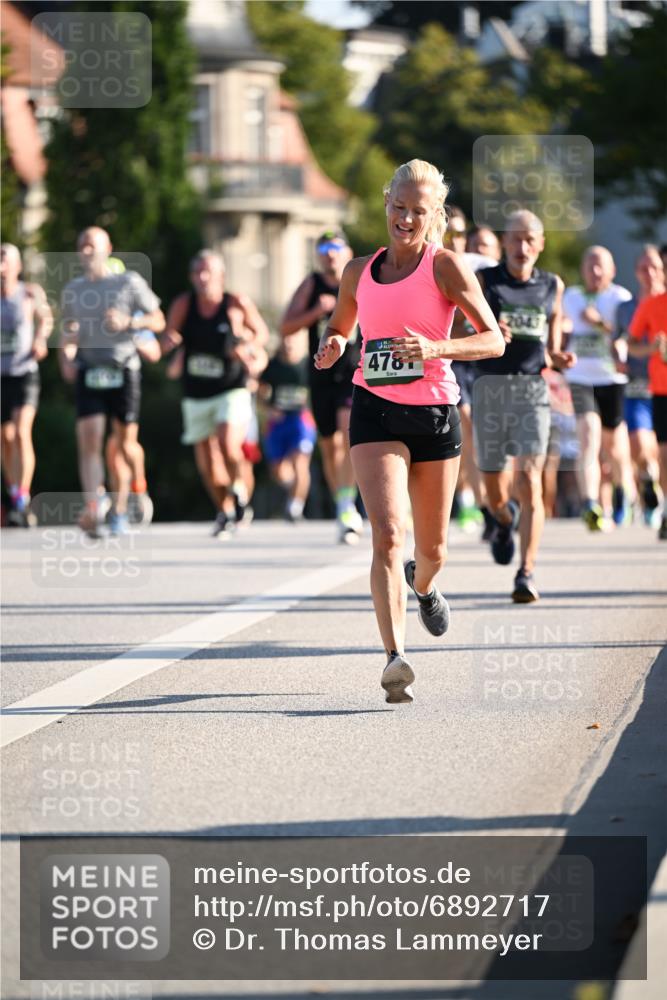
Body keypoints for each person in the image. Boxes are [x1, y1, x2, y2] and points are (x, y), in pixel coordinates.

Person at [314, 158, 504, 704]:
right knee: (388, 536)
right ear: (386, 203)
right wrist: (332, 344)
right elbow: (342, 323)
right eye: (398, 207)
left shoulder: (445, 268)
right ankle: (395, 657)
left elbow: (492, 340)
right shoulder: (357, 271)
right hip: (373, 407)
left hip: (435, 413)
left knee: (434, 547)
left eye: (418, 211)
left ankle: (424, 585)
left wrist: (436, 347)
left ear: (434, 214)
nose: (405, 219)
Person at [473, 210, 574, 603]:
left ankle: (526, 571)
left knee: (530, 479)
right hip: (491, 389)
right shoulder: (486, 280)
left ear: (541, 243)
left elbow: (551, 344)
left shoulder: (553, 284)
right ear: (504, 243)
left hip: (532, 390)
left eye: (530, 239)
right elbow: (462, 329)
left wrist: (558, 358)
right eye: (515, 239)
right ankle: (501, 520)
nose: (522, 247)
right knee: (495, 489)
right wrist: (488, 331)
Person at [59, 227, 164, 536]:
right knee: (89, 439)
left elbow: (159, 319)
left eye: (93, 245)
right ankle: (95, 506)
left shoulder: (128, 282)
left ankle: (120, 506)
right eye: (82, 245)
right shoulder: (73, 290)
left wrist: (130, 322)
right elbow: (67, 330)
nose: (87, 251)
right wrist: (66, 355)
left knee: (122, 444)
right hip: (89, 369)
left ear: (108, 249)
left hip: (123, 369)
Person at [162, 250, 269, 537]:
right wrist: (170, 343)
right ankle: (226, 510)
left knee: (227, 443)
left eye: (208, 271)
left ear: (221, 276)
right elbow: (166, 341)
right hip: (196, 392)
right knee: (207, 464)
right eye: (198, 271)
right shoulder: (184, 304)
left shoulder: (235, 303)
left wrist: (245, 343)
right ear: (191, 277)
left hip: (230, 388)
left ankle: (239, 492)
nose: (203, 277)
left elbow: (261, 334)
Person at [280, 231, 363, 543]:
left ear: (347, 252)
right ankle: (343, 501)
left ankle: (347, 507)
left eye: (336, 248)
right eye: (324, 249)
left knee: (348, 434)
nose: (330, 254)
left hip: (353, 370)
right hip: (320, 372)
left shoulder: (358, 279)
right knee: (329, 447)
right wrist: (317, 311)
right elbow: (286, 326)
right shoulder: (312, 285)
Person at [562, 246, 635, 530]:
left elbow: (627, 336)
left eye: (600, 266)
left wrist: (601, 324)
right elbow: (561, 328)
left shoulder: (620, 298)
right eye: (589, 265)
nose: (594, 271)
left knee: (615, 448)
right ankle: (590, 503)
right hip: (581, 378)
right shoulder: (572, 296)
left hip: (611, 380)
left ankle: (620, 495)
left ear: (612, 270)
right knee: (588, 437)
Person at [1, 244, 52, 526]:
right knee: (5, 439)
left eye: (4, 258)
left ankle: (22, 496)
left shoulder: (30, 293)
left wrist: (41, 339)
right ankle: (12, 493)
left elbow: (46, 318)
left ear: (17, 266)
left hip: (24, 372)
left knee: (21, 432)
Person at [615, 245, 664, 524]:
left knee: (660, 448)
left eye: (655, 268)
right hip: (637, 384)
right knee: (640, 446)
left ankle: (656, 493)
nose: (649, 274)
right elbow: (618, 338)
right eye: (644, 268)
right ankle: (649, 485)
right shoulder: (626, 308)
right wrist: (618, 353)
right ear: (636, 272)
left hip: (663, 384)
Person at [259, 336, 317, 521]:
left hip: (301, 421)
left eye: (293, 341)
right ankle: (294, 486)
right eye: (286, 341)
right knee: (277, 470)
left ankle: (295, 507)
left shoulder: (308, 365)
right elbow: (259, 390)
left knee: (300, 463)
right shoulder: (273, 366)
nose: (289, 345)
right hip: (278, 422)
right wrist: (269, 408)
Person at [628, 285, 667, 540]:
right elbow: (631, 344)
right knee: (664, 455)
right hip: (662, 389)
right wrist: (652, 348)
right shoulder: (652, 304)